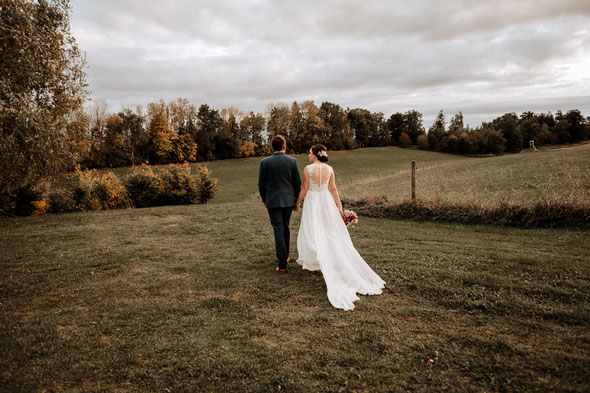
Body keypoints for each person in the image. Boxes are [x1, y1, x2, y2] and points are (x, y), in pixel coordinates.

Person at [294, 144, 385, 310]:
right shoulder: (330, 169)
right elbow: (333, 188)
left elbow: (305, 188)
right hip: (326, 201)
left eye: (309, 153)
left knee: (313, 230)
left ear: (315, 155)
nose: (308, 155)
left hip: (313, 202)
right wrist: (339, 205)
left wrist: (297, 203)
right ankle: (325, 256)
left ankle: (319, 257)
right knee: (329, 232)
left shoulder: (308, 169)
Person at [258, 135, 302, 273]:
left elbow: (261, 184)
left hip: (273, 200)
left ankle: (282, 263)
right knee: (285, 227)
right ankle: (286, 256)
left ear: (272, 147)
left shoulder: (264, 162)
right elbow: (297, 183)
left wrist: (265, 199)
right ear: (284, 146)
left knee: (278, 229)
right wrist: (295, 200)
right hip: (288, 201)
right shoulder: (292, 161)